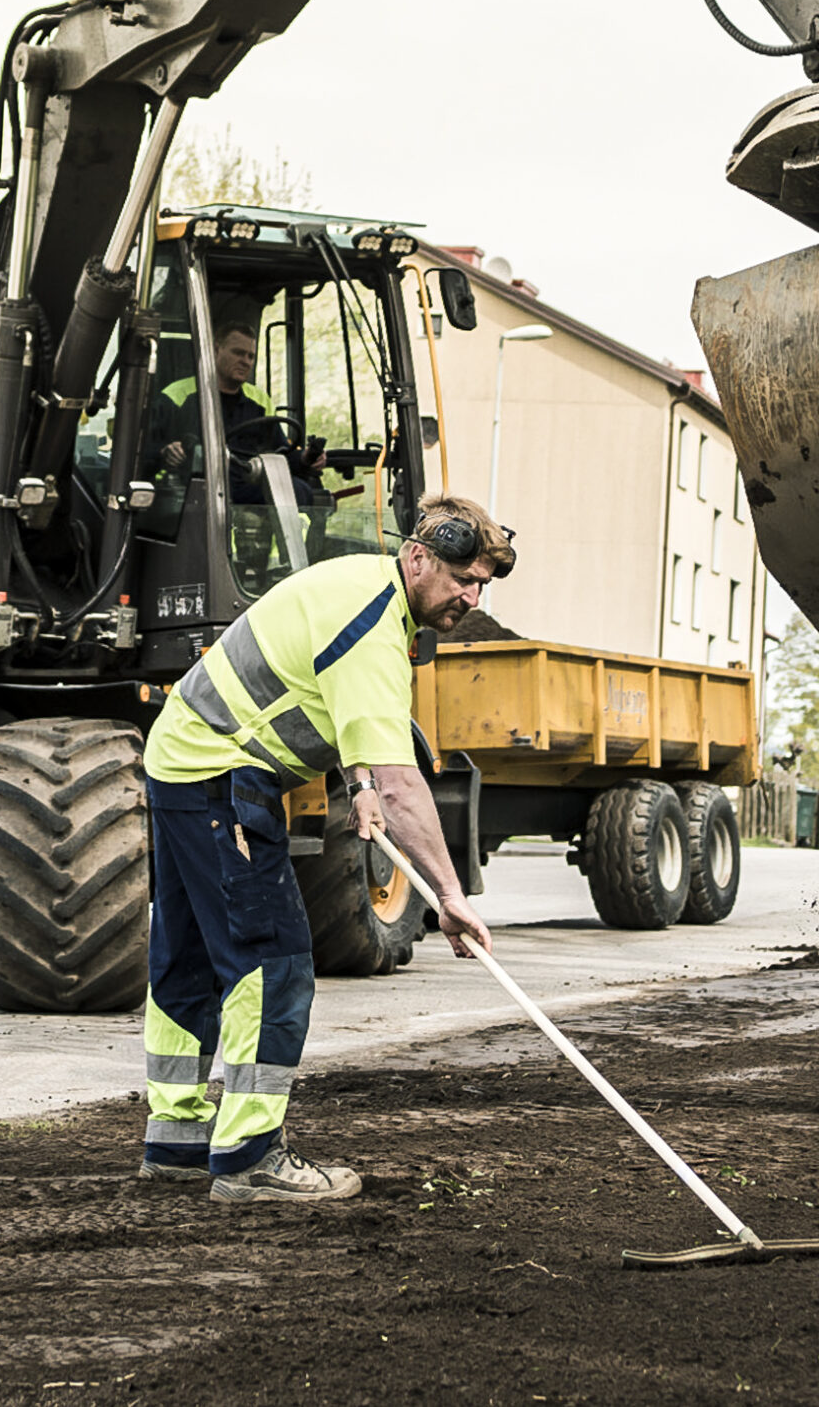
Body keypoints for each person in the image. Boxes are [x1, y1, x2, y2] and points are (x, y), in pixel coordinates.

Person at [135, 495, 510, 1202]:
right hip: (222, 774)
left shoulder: (363, 588)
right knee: (270, 963)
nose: (472, 594)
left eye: (483, 583)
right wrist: (452, 898)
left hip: (184, 760)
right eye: (464, 576)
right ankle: (248, 1159)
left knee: (186, 955)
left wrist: (356, 779)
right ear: (419, 557)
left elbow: (326, 700)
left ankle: (178, 1137)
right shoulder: (373, 624)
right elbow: (405, 789)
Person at [154, 320, 325, 503]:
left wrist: (306, 458)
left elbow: (281, 454)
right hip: (195, 490)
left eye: (250, 356)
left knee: (299, 490)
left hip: (245, 487)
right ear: (215, 350)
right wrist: (166, 451)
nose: (245, 361)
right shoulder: (176, 396)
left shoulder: (259, 401)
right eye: (238, 353)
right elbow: (146, 450)